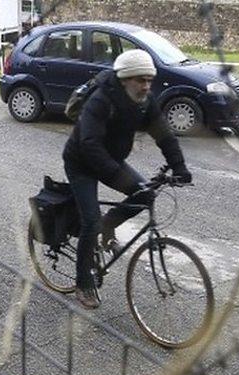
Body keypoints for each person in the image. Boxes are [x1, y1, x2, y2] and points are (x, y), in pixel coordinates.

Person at [62, 49, 192, 310]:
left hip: (112, 160)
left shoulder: (145, 101)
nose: (146, 86)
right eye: (140, 80)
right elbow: (88, 143)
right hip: (81, 163)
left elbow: (164, 134)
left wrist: (179, 167)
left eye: (149, 80)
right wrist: (114, 173)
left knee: (145, 194)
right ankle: (83, 282)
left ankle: (107, 226)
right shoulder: (101, 100)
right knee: (90, 221)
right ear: (125, 80)